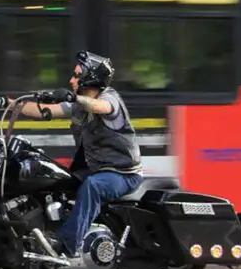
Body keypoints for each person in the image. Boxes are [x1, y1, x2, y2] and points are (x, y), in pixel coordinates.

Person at [10, 51, 142, 256]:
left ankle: (66, 244)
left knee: (93, 187)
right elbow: (45, 110)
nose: (71, 80)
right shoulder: (78, 106)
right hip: (95, 169)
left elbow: (100, 107)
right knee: (53, 179)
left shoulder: (110, 99)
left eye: (76, 75)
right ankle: (45, 234)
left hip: (122, 174)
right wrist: (11, 104)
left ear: (90, 78)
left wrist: (75, 97)